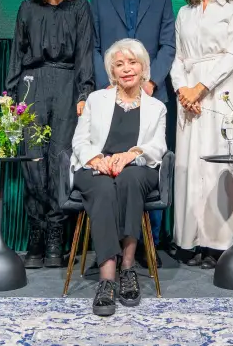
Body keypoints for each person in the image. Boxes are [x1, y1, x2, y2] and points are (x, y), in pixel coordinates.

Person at [90, 0, 175, 264]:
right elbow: (95, 48)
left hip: (151, 95)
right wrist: (107, 87)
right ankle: (111, 242)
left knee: (145, 165)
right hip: (111, 98)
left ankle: (147, 244)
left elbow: (168, 45)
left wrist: (151, 81)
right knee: (111, 166)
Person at [6, 0, 94, 269]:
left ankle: (57, 234)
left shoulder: (80, 6)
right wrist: (11, 99)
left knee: (60, 159)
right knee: (33, 160)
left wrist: (85, 92)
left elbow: (85, 51)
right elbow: (17, 53)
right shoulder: (27, 9)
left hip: (68, 84)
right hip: (32, 83)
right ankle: (36, 233)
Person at [70, 39, 167, 316]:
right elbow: (80, 140)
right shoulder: (95, 100)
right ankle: (108, 278)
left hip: (136, 166)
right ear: (112, 72)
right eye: (119, 64)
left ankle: (128, 267)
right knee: (103, 189)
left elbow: (158, 147)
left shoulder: (156, 108)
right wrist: (96, 160)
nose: (126, 69)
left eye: (132, 63)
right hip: (95, 167)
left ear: (143, 68)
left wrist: (130, 155)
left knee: (129, 180)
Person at [170, 0, 233, 268]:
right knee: (190, 167)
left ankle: (219, 243)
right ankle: (189, 241)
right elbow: (176, 58)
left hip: (220, 93)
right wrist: (183, 90)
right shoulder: (184, 13)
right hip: (188, 97)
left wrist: (201, 89)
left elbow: (232, 56)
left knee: (220, 166)